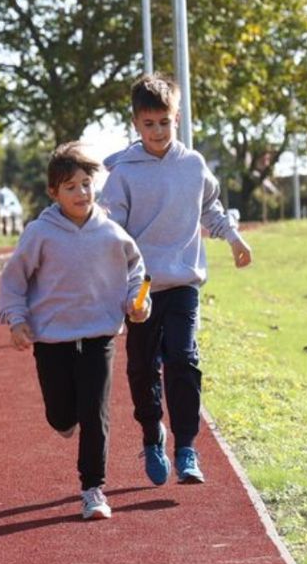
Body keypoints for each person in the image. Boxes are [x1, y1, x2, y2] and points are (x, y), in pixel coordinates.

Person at [100, 73, 253, 487]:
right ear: (135, 124)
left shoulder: (193, 165)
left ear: (177, 118)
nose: (157, 131)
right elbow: (109, 226)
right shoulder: (123, 172)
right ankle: (153, 435)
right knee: (142, 367)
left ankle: (186, 446)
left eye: (165, 122)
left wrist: (234, 239)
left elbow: (211, 209)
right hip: (141, 285)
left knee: (183, 360)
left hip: (183, 281)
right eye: (148, 124)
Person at [0, 142, 150, 520]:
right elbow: (15, 280)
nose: (81, 193)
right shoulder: (39, 233)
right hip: (52, 340)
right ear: (54, 192)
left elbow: (136, 270)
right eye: (70, 187)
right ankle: (65, 421)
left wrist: (138, 301)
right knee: (61, 414)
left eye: (86, 183)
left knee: (96, 412)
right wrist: (17, 320)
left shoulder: (111, 233)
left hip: (99, 335)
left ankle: (93, 489)